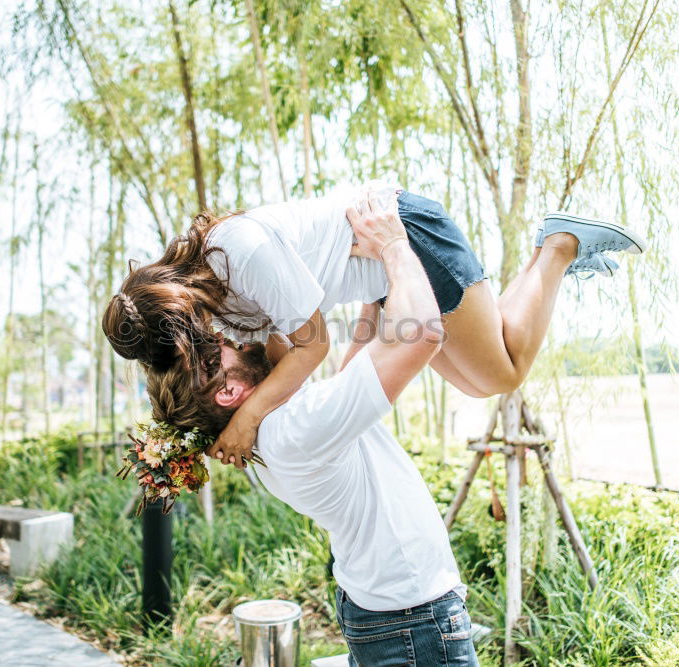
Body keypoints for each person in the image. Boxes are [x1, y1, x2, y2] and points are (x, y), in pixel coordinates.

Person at [142, 197, 485, 665]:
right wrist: (395, 247)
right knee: (498, 374)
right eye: (215, 349)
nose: (229, 336)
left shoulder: (275, 428)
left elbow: (351, 379)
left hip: (391, 610)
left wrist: (373, 298)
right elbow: (423, 333)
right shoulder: (290, 431)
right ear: (226, 392)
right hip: (413, 618)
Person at [104, 182, 646, 469]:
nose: (197, 351)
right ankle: (551, 258)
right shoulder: (214, 299)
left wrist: (247, 417)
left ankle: (559, 246)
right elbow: (280, 357)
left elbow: (310, 347)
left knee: (505, 371)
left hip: (402, 234)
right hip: (385, 276)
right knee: (477, 383)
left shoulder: (238, 253)